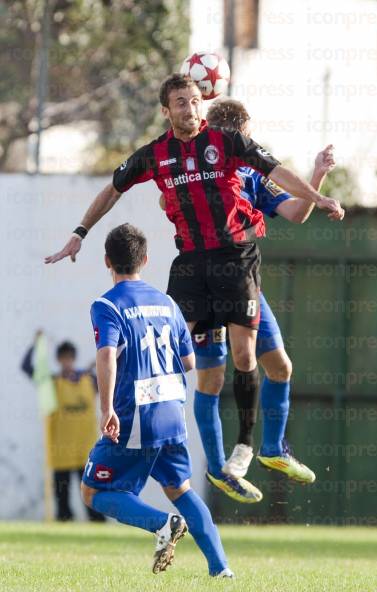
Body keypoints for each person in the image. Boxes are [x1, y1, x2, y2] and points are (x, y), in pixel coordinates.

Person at [45, 73, 344, 499]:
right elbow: (113, 189)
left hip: (235, 262)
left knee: (251, 358)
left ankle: (249, 445)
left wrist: (319, 194)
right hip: (192, 267)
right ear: (166, 111)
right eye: (181, 103)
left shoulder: (230, 147)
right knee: (175, 357)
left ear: (204, 104)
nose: (190, 108)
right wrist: (79, 231)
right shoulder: (156, 155)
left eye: (194, 101)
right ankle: (131, 424)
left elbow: (281, 175)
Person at [185, 99, 337, 500]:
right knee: (213, 377)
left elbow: (295, 213)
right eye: (249, 134)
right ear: (240, 133)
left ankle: (273, 449)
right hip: (204, 282)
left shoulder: (251, 172)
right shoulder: (197, 168)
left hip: (245, 284)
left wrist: (317, 176)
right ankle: (222, 467)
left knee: (280, 367)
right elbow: (170, 199)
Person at [80, 222, 233, 577]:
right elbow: (189, 361)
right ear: (145, 260)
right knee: (180, 487)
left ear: (107, 260)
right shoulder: (167, 303)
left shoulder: (106, 305)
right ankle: (221, 568)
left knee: (94, 490)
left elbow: (106, 354)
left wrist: (107, 410)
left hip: (136, 414)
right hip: (172, 410)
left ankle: (163, 524)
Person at [21, 335, 105, 522]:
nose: (67, 362)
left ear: (74, 359)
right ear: (58, 360)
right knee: (62, 502)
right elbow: (27, 367)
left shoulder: (89, 380)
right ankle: (64, 523)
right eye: (63, 358)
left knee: (91, 495)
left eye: (70, 358)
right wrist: (36, 345)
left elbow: (111, 373)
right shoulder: (51, 382)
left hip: (86, 450)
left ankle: (98, 523)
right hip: (61, 451)